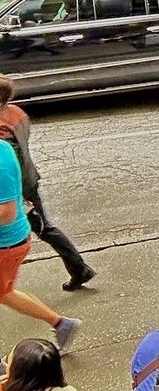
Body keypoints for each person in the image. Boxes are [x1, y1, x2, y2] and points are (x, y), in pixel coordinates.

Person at [0, 77, 96, 292]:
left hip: (18, 189)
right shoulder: (17, 113)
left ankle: (79, 269)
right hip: (27, 181)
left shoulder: (2, 130)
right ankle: (79, 269)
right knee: (43, 227)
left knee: (44, 228)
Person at [0, 139, 80, 353]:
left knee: (4, 292)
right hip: (9, 243)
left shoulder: (1, 158)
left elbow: (6, 213)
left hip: (6, 246)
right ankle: (62, 324)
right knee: (5, 292)